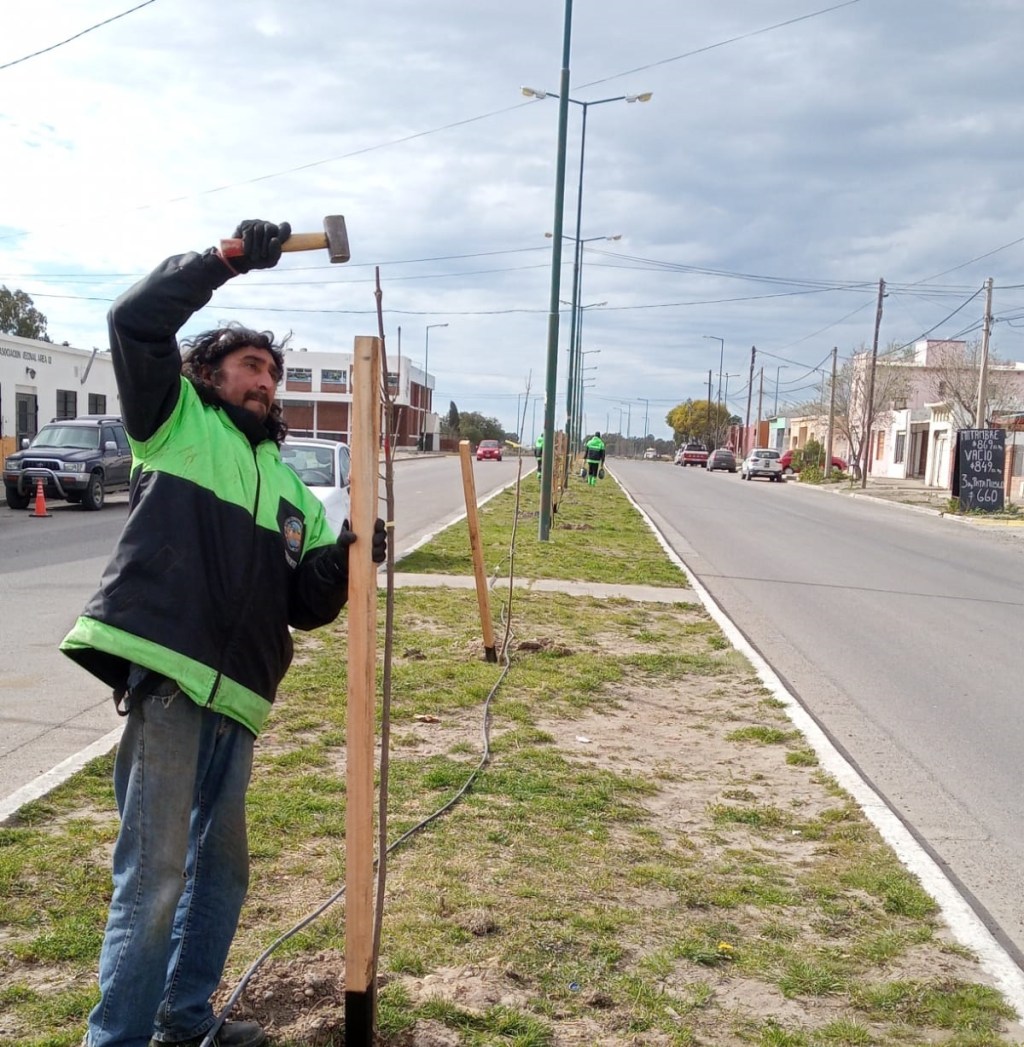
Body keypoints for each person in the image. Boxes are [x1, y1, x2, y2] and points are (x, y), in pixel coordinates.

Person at [61, 220, 386, 1047]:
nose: (267, 382)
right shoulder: (173, 424)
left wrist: (349, 558)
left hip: (240, 695)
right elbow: (135, 322)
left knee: (222, 874)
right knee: (156, 875)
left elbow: (306, 604)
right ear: (207, 372)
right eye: (251, 366)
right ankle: (120, 1037)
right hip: (170, 683)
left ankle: (183, 1014)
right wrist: (225, 261)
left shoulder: (292, 489)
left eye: (273, 374)